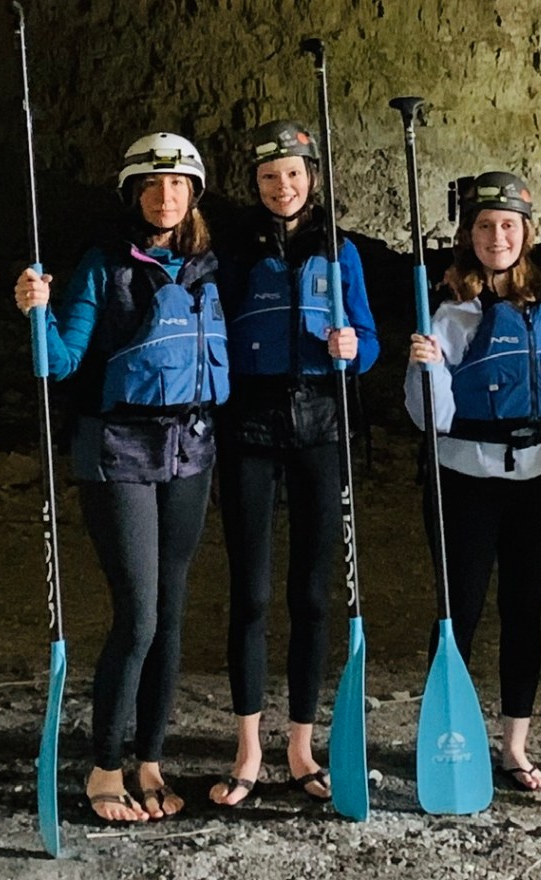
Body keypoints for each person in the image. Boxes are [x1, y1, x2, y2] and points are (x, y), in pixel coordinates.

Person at [11, 132, 229, 824]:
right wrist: (37, 313)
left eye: (178, 184)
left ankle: (151, 759)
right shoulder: (103, 268)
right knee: (137, 614)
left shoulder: (209, 267)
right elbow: (60, 363)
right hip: (118, 453)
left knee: (170, 613)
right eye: (152, 185)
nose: (166, 196)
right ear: (134, 194)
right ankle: (105, 766)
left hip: (190, 451)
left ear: (193, 193)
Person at [209, 119, 379, 807]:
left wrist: (351, 348)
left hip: (320, 427)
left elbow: (368, 342)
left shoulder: (340, 252)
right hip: (249, 427)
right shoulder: (234, 251)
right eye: (270, 177)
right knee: (249, 594)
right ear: (255, 185)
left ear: (312, 179)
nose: (284, 186)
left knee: (311, 596)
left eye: (295, 174)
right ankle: (248, 746)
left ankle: (301, 744)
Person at [406, 171, 541, 792]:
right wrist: (424, 370)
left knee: (523, 611)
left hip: (540, 478)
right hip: (463, 480)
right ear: (467, 235)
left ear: (526, 234)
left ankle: (515, 747)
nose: (496, 236)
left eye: (508, 226)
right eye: (484, 226)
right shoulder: (449, 314)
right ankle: (446, 739)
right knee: (460, 613)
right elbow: (432, 418)